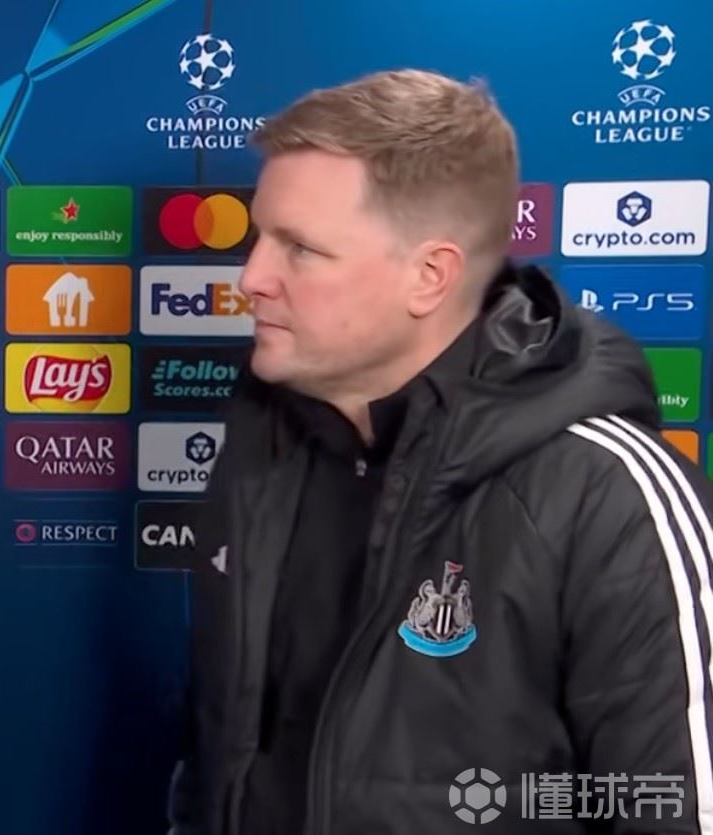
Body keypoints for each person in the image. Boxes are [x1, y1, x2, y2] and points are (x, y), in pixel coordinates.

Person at [167, 68, 712, 833]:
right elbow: (220, 759)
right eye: (259, 237)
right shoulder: (262, 447)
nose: (251, 277)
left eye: (300, 249)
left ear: (429, 276)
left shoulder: (607, 491)